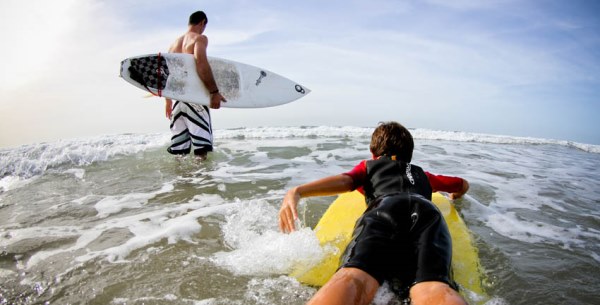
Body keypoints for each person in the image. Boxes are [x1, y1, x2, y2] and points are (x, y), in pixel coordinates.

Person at [279, 122, 469, 305]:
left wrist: (299, 191)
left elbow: (346, 182)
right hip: (427, 211)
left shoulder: (369, 166)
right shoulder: (423, 175)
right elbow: (462, 184)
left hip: (385, 208)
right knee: (433, 287)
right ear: (409, 155)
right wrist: (455, 196)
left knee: (357, 277)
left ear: (373, 153)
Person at [164, 11, 226, 160]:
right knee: (201, 150)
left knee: (180, 153)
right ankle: (200, 181)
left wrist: (168, 101)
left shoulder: (173, 45)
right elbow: (201, 63)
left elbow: (167, 75)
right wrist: (214, 92)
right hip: (194, 100)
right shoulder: (199, 38)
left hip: (177, 102)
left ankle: (181, 181)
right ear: (202, 22)